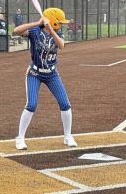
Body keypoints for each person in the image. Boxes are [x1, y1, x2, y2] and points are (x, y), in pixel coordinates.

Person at [13, 8, 78, 150]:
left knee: (65, 104)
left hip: (52, 74)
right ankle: (20, 138)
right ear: (53, 21)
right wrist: (37, 22)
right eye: (60, 22)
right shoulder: (35, 31)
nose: (62, 24)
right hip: (34, 74)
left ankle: (68, 136)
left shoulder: (58, 32)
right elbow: (16, 31)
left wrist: (51, 29)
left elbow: (61, 45)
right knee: (31, 105)